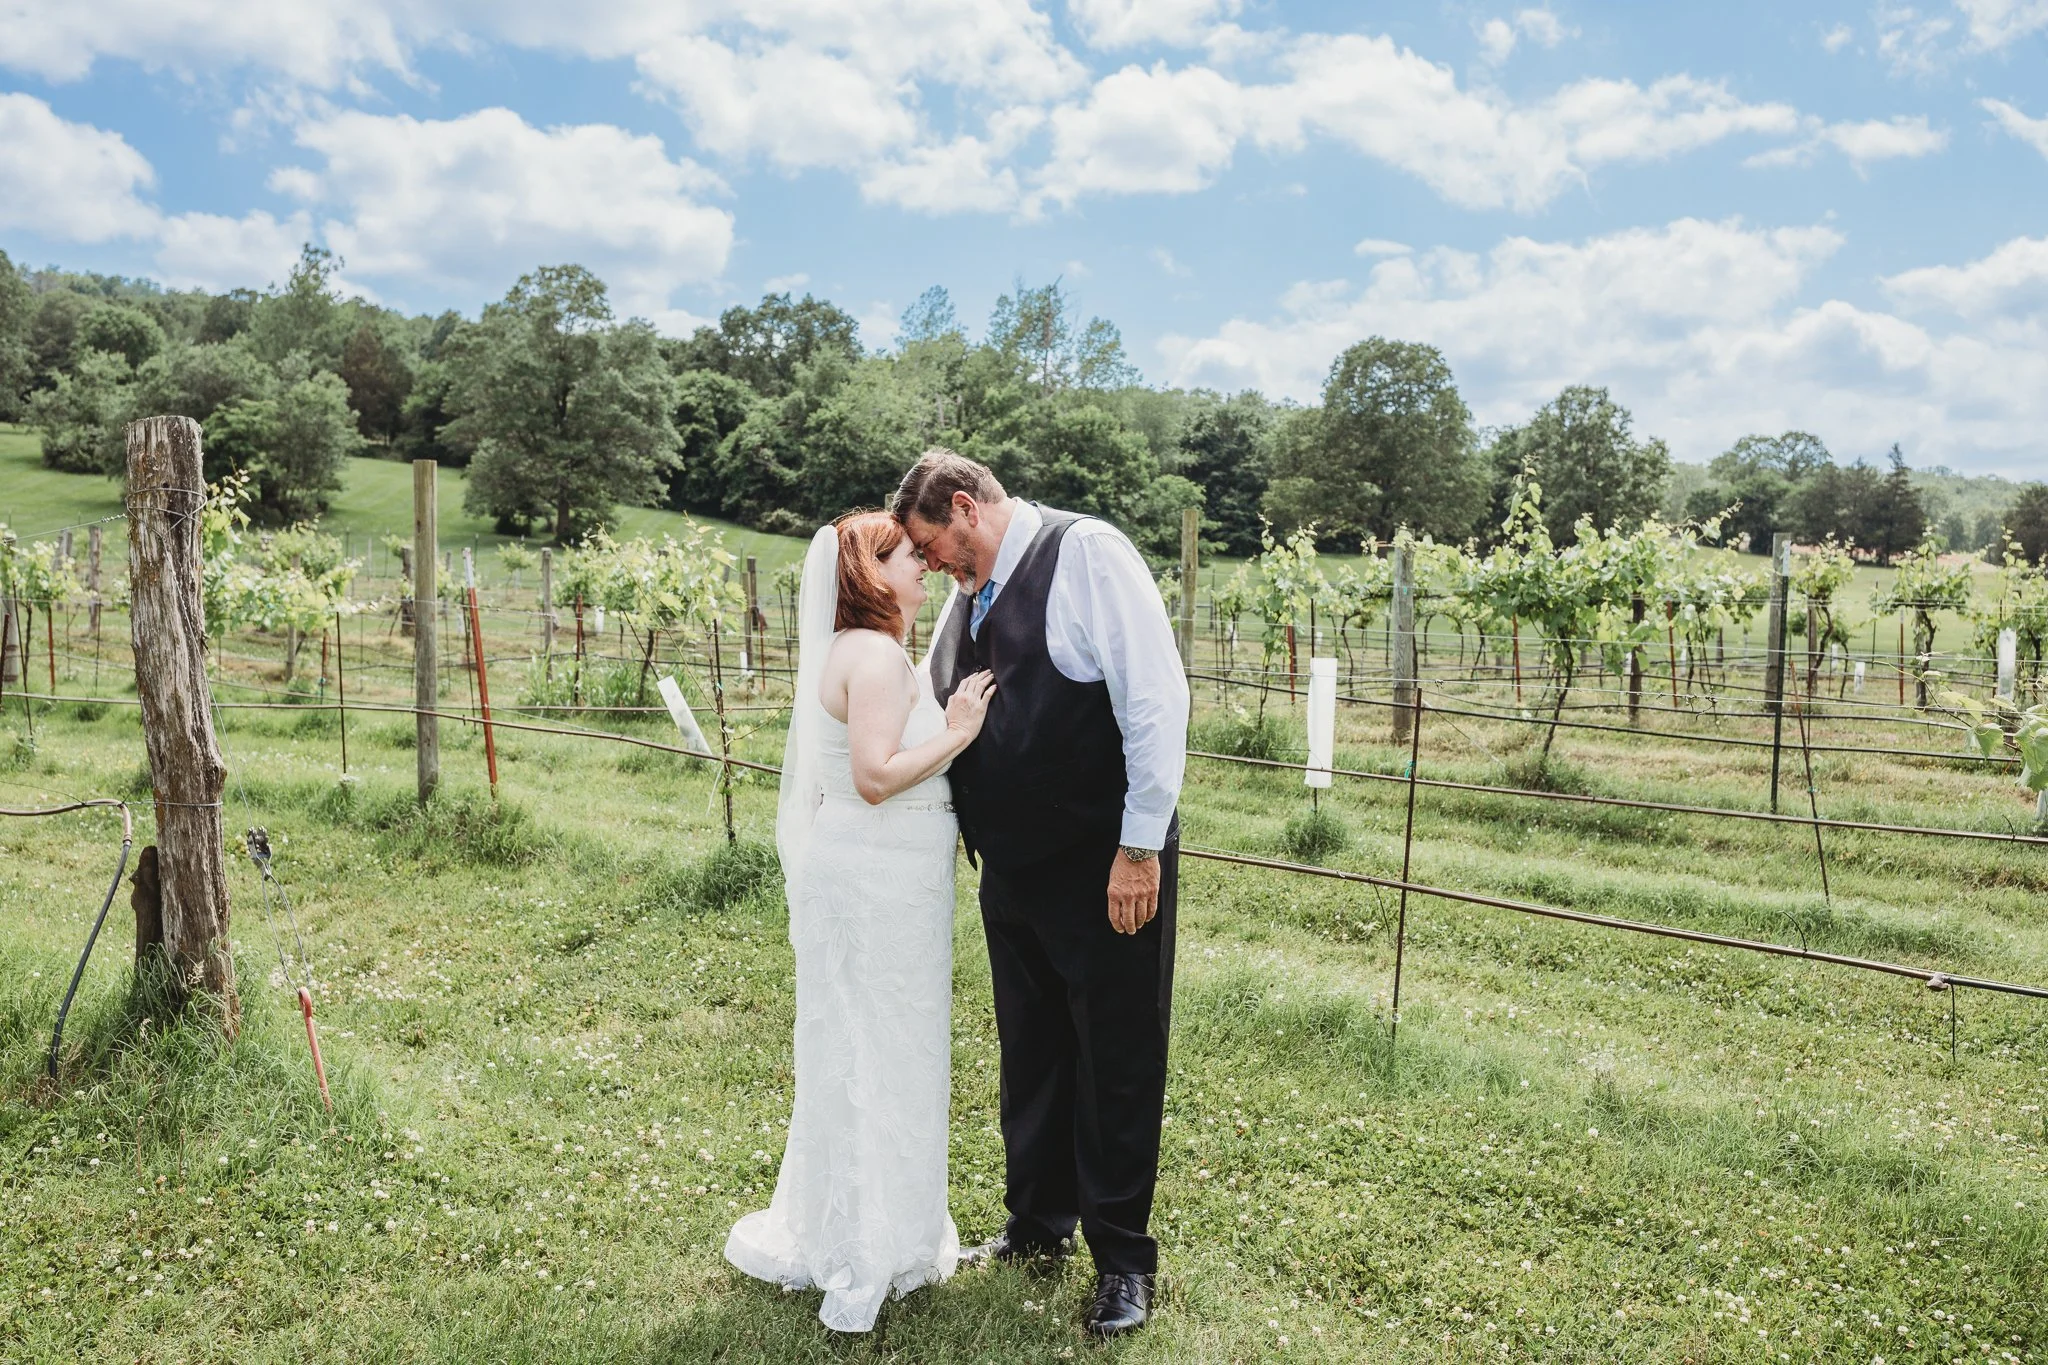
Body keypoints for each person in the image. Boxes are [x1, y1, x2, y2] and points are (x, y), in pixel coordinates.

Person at [893, 449, 1189, 1339]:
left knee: (1116, 1057)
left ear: (964, 507)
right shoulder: (967, 590)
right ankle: (1036, 1225)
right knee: (1032, 1052)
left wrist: (1140, 845)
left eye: (931, 545)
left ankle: (1124, 1261)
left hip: (1103, 866)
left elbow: (1155, 702)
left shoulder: (1087, 553)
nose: (931, 563)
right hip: (1013, 870)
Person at [724, 511, 996, 1333]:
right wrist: (956, 734)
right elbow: (876, 777)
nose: (924, 565)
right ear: (869, 573)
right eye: (909, 557)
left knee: (874, 1045)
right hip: (879, 882)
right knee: (878, 1049)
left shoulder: (860, 650)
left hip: (882, 881)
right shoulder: (875, 656)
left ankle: (881, 1222)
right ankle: (869, 1242)